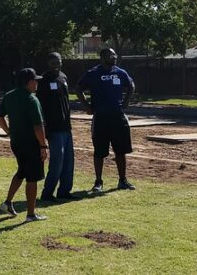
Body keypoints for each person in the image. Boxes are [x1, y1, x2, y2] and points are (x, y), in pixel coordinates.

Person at [77, 48, 136, 192]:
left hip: (118, 117)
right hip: (101, 118)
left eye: (115, 55)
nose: (114, 57)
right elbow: (78, 88)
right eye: (111, 55)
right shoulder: (93, 73)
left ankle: (123, 180)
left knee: (120, 151)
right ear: (102, 57)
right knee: (99, 152)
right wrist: (87, 106)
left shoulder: (120, 72)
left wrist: (126, 101)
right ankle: (98, 182)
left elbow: (131, 85)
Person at [0, 68, 49, 222]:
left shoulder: (9, 95)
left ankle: (7, 203)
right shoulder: (32, 99)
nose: (37, 83)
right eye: (35, 81)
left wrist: (9, 132)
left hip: (16, 142)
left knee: (22, 171)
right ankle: (31, 214)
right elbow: (38, 126)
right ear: (29, 82)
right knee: (32, 178)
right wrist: (43, 146)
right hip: (31, 143)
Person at [36, 52, 75, 201]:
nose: (56, 65)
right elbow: (40, 106)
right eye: (53, 63)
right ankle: (47, 193)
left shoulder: (63, 77)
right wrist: (44, 128)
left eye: (58, 62)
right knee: (57, 162)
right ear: (48, 63)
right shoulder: (44, 80)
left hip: (66, 127)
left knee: (68, 161)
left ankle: (64, 191)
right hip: (53, 128)